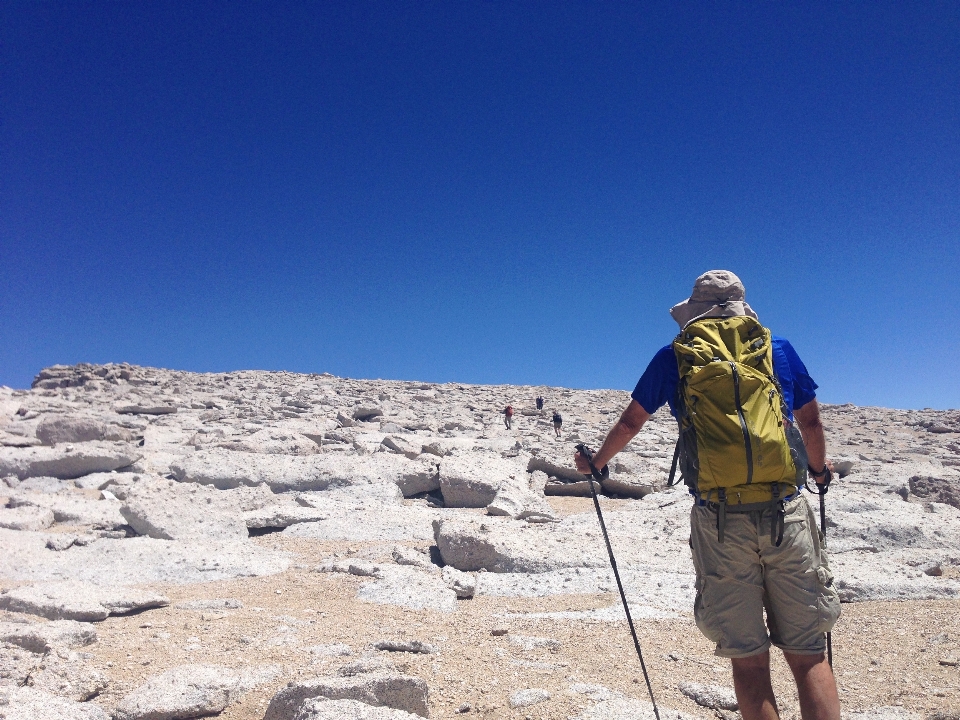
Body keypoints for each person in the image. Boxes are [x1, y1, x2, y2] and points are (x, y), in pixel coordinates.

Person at [573, 270, 841, 720]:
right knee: (809, 654)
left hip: (720, 520)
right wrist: (818, 471)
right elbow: (810, 423)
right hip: (784, 511)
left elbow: (631, 422)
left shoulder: (675, 355)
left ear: (694, 308)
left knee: (749, 659)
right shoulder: (777, 350)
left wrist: (597, 463)